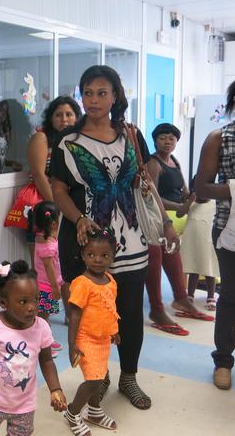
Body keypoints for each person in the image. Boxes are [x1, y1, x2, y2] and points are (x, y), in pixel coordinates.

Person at [50, 65, 179, 410]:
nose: (93, 100)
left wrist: (166, 221)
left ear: (115, 97)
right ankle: (99, 374)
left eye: (101, 93)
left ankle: (129, 377)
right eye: (87, 93)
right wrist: (78, 217)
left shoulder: (129, 135)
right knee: (92, 314)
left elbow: (144, 182)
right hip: (87, 242)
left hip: (132, 240)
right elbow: (58, 189)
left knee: (130, 312)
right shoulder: (68, 142)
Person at [0, 260, 67, 435]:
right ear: (3, 303)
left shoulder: (42, 328)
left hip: (24, 404)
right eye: (23, 301)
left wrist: (55, 389)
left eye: (36, 299)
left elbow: (46, 361)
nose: (32, 307)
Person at [196, 75, 235, 391]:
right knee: (231, 297)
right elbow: (201, 188)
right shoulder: (218, 138)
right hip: (231, 230)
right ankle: (223, 361)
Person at [145, 123, 211, 335]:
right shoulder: (153, 163)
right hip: (159, 217)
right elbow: (152, 196)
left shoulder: (174, 161)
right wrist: (178, 208)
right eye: (163, 138)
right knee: (156, 257)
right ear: (155, 141)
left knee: (173, 254)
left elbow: (183, 190)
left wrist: (193, 196)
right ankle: (157, 309)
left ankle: (182, 298)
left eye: (171, 138)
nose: (167, 142)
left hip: (178, 215)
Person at [64, 228, 120, 436]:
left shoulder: (110, 280)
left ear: (113, 256)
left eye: (104, 255)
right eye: (91, 254)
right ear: (83, 255)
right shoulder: (82, 284)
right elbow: (74, 315)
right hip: (85, 339)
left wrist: (114, 331)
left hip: (102, 339)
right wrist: (72, 345)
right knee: (94, 380)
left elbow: (109, 308)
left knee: (100, 375)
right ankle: (72, 412)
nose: (97, 260)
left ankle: (94, 411)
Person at [26, 96, 81, 270]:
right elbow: (38, 175)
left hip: (71, 208)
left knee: (65, 265)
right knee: (44, 268)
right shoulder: (41, 138)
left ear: (77, 117)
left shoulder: (78, 140)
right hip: (47, 208)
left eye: (69, 114)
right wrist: (57, 208)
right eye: (58, 115)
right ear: (51, 118)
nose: (64, 119)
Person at [31, 201, 65, 356]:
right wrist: (55, 287)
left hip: (45, 285)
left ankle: (47, 340)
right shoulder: (47, 245)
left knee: (45, 316)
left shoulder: (42, 237)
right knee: (43, 318)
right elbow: (49, 267)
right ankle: (43, 346)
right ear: (53, 224)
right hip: (46, 287)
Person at [181, 176, 219, 310]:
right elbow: (180, 214)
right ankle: (190, 294)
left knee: (209, 269)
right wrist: (189, 200)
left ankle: (211, 296)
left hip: (208, 243)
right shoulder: (191, 203)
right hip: (192, 243)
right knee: (193, 269)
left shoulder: (214, 203)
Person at [0, 100, 23, 173]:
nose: (4, 113)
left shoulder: (2, 131)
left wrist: (11, 163)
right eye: (1, 110)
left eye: (6, 111)